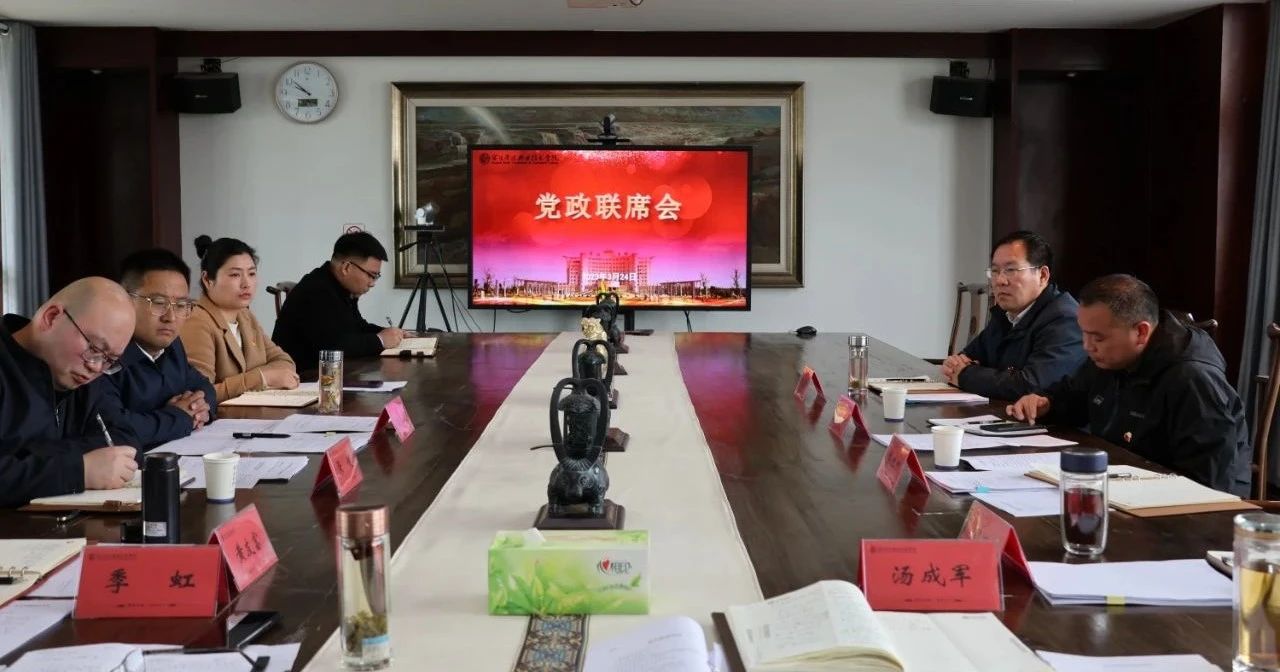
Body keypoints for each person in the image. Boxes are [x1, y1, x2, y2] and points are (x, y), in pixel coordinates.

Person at [1007, 274, 1251, 495]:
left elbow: (1210, 483)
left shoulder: (1192, 379)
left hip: (1180, 505)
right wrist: (1046, 403)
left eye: (1098, 337)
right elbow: (1075, 397)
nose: (1087, 346)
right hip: (1122, 481)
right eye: (1084, 333)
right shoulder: (1110, 357)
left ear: (1141, 332)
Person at [0, 277, 141, 506]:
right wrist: (78, 470)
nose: (96, 367)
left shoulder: (84, 375)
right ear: (52, 317)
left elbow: (125, 441)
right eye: (94, 348)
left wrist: (27, 458)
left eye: (110, 360)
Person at [93, 249, 217, 452]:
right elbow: (113, 429)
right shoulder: (102, 352)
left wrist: (199, 408)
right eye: (158, 303)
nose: (170, 317)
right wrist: (179, 418)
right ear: (125, 300)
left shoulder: (171, 344)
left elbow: (203, 386)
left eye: (181, 305)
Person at [941, 230, 1085, 401]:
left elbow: (1031, 387)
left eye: (1011, 270)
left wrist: (965, 375)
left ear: (1042, 275)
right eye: (995, 271)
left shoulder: (1065, 320)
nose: (1000, 281)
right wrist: (956, 367)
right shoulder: (1005, 314)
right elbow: (966, 358)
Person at [180, 235, 299, 402]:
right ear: (207, 280)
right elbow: (197, 395)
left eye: (251, 273)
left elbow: (284, 361)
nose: (246, 284)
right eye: (235, 275)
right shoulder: (197, 322)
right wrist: (261, 378)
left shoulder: (245, 315)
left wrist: (263, 377)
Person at [272, 231, 405, 367]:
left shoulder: (339, 286)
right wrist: (380, 340)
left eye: (376, 276)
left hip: (329, 371)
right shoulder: (316, 290)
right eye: (371, 275)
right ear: (346, 267)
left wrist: (393, 333)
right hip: (301, 375)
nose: (372, 283)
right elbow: (333, 347)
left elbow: (357, 326)